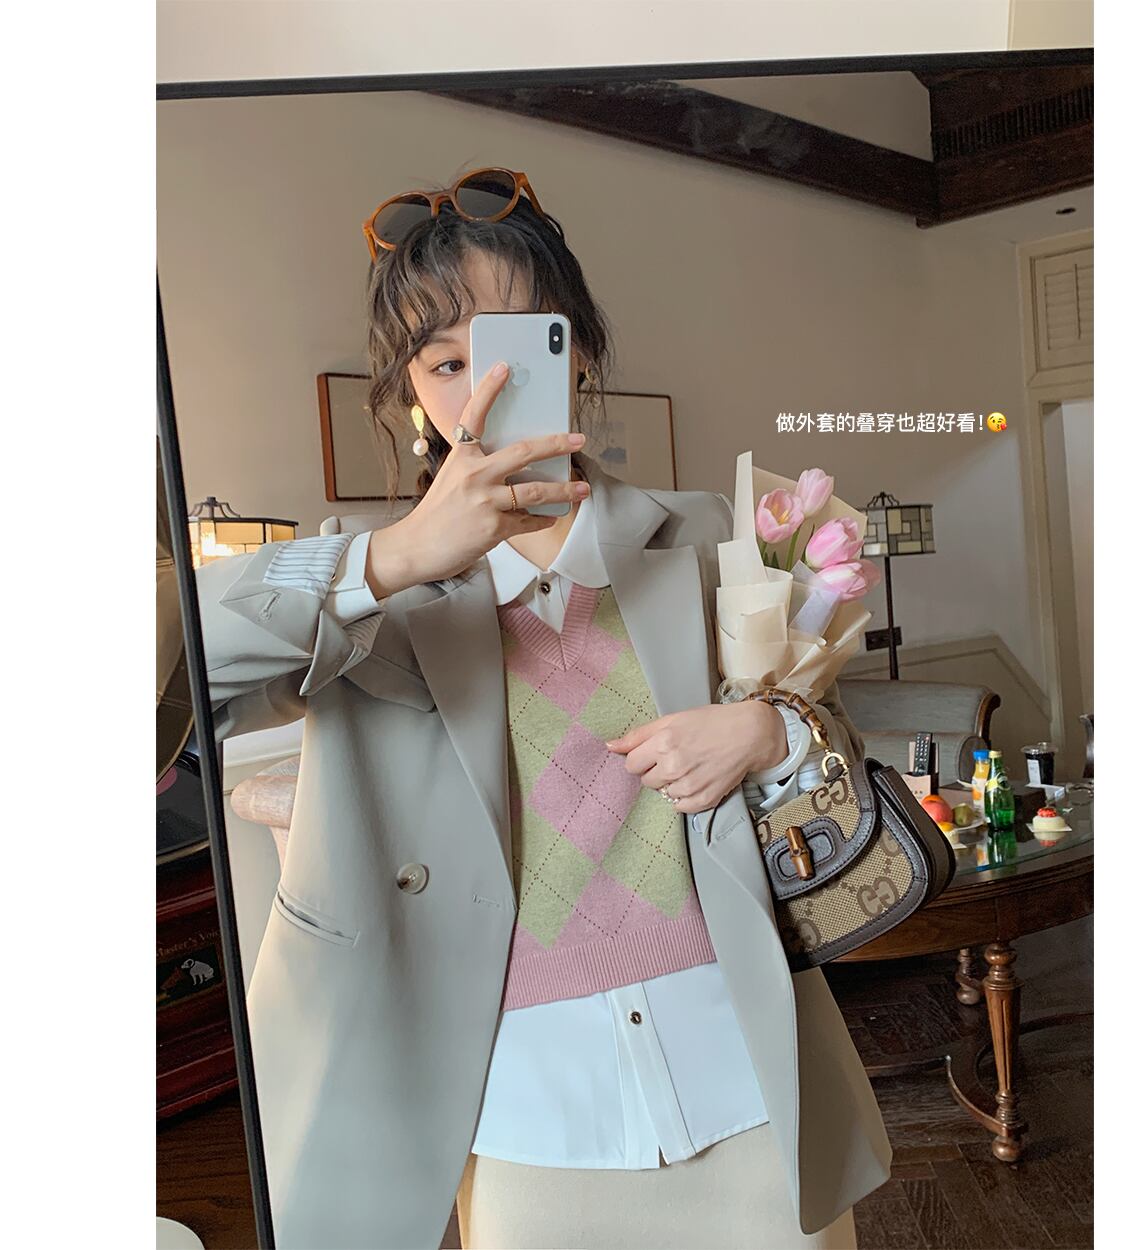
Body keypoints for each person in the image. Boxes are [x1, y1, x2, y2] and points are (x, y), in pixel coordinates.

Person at [197, 167, 891, 1250]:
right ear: (410, 393)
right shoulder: (362, 591)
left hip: (746, 1073)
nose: (484, 387)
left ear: (581, 354)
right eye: (446, 361)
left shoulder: (695, 536)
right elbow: (161, 677)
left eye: (522, 345)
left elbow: (828, 734)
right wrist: (394, 556)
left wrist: (767, 729)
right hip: (522, 1109)